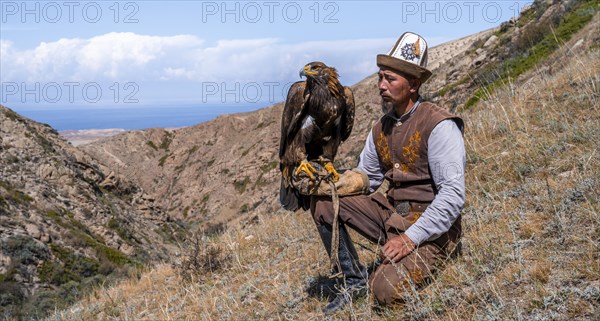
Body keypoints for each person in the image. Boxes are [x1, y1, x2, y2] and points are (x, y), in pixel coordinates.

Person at [310, 32, 465, 314]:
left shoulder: (439, 125)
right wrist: (336, 183)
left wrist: (409, 239)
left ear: (414, 85)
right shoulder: (381, 127)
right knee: (324, 203)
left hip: (432, 229)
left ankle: (435, 255)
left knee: (384, 292)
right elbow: (367, 176)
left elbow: (453, 196)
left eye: (390, 79)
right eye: (380, 77)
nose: (381, 85)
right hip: (392, 216)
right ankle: (354, 280)